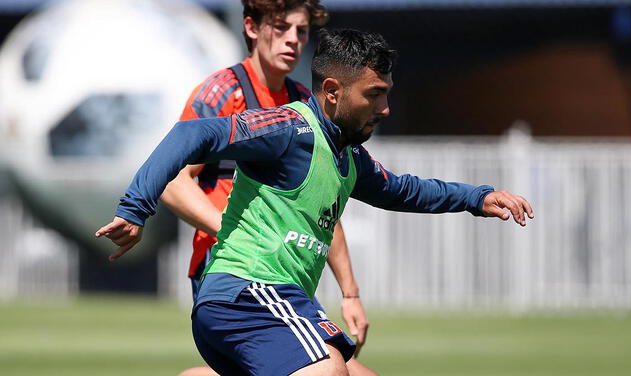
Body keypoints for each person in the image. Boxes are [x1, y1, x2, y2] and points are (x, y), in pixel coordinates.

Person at [96, 28, 534, 375]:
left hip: (275, 304)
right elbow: (194, 133)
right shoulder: (289, 129)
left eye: (387, 92)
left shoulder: (347, 156)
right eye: (374, 94)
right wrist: (136, 209)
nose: (385, 108)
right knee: (326, 371)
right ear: (331, 91)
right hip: (247, 295)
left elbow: (404, 189)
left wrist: (477, 197)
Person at [158, 1, 375, 375]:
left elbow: (321, 205)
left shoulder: (305, 104)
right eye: (281, 27)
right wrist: (236, 234)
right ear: (252, 28)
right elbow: (173, 182)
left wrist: (350, 292)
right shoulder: (223, 92)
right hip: (233, 272)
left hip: (280, 277)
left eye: (301, 31)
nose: (292, 39)